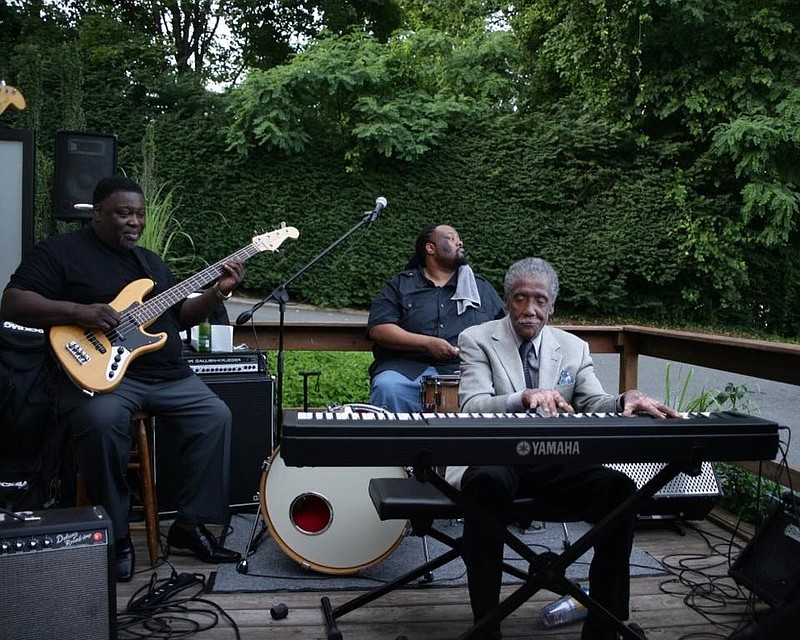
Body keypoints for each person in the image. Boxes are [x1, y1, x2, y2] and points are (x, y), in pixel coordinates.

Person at [1, 176, 244, 582]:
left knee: (215, 416)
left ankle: (189, 526)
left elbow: (179, 317)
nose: (134, 222)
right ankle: (113, 535)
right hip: (99, 374)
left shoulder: (150, 264)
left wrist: (217, 294)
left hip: (165, 374)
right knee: (101, 423)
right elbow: (13, 302)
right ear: (97, 214)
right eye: (124, 213)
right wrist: (80, 313)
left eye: (139, 214)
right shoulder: (59, 253)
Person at [450, 257, 680, 640]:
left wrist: (627, 397)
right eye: (521, 298)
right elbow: (472, 405)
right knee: (485, 484)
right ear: (506, 300)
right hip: (497, 455)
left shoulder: (573, 347)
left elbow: (594, 401)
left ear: (551, 306)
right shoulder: (476, 338)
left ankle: (604, 624)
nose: (530, 309)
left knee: (620, 492)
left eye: (539, 300)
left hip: (554, 458)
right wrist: (522, 397)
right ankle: (486, 622)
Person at [367, 223, 504, 412]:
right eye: (451, 238)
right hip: (405, 368)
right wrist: (426, 343)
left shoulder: (481, 288)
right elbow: (379, 328)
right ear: (430, 248)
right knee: (388, 387)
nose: (460, 242)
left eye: (459, 238)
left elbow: (505, 327)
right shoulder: (401, 285)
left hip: (466, 370)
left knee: (493, 390)